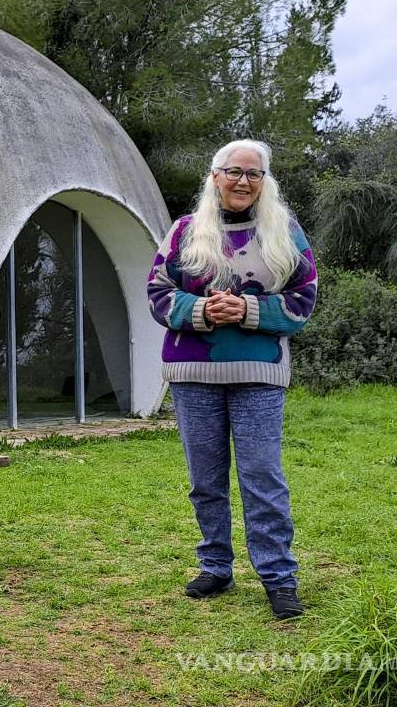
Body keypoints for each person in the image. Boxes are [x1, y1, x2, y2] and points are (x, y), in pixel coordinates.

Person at [146, 139, 317, 620]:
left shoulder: (285, 233)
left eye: (253, 173)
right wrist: (200, 308)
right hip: (193, 372)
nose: (243, 181)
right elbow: (158, 293)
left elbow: (304, 300)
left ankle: (279, 577)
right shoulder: (183, 232)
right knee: (206, 479)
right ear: (215, 176)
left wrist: (248, 309)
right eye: (233, 171)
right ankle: (216, 566)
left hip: (259, 373)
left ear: (265, 182)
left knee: (262, 476)